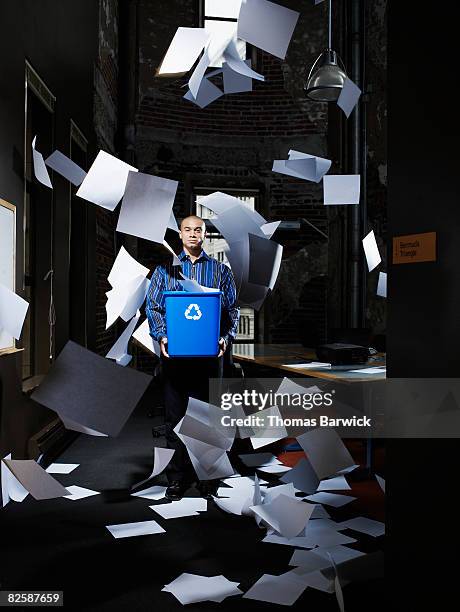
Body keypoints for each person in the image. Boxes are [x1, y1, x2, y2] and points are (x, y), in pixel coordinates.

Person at [146, 215, 240, 500]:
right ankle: (176, 478)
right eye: (187, 229)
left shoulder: (220, 271)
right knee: (175, 417)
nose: (192, 234)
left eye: (197, 230)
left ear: (204, 235)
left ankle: (207, 477)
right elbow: (153, 307)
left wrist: (225, 339)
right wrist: (162, 335)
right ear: (180, 233)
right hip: (176, 358)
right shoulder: (165, 270)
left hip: (210, 358)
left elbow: (233, 310)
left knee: (207, 418)